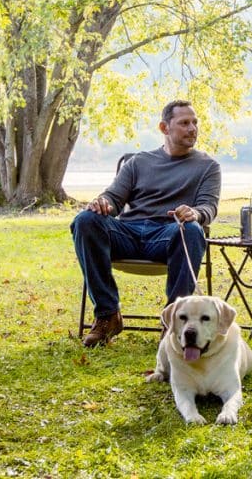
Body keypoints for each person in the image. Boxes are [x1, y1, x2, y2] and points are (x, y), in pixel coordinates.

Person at [72, 99, 221, 347]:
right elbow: (113, 198)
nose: (192, 128)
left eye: (195, 122)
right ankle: (108, 315)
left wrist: (194, 213)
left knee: (192, 231)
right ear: (164, 128)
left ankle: (175, 322)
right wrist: (102, 203)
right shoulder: (139, 162)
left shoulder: (208, 166)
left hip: (169, 234)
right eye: (184, 123)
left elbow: (209, 206)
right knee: (85, 220)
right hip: (128, 233)